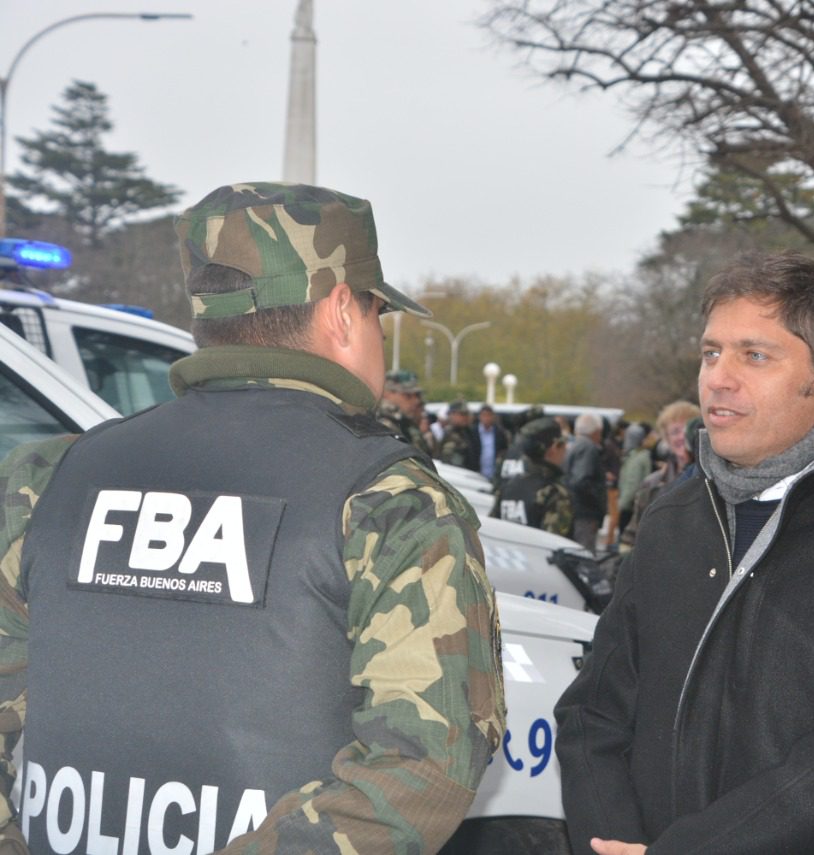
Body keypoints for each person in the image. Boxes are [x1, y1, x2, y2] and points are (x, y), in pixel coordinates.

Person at [0, 183, 504, 853]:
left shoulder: (50, 478)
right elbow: (429, 762)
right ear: (344, 310)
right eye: (380, 310)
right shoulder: (391, 503)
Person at [555, 251, 814, 855]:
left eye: (755, 355)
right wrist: (612, 840)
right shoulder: (673, 520)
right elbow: (592, 714)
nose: (718, 378)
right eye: (711, 352)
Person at [618, 400, 700, 548]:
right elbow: (633, 535)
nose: (682, 437)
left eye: (687, 429)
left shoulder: (715, 479)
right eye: (675, 431)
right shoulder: (653, 484)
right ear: (666, 440)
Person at [490, 416, 572, 538]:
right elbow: (553, 543)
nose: (566, 449)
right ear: (554, 447)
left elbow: (492, 529)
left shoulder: (508, 487)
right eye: (563, 445)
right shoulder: (555, 493)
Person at [563, 412, 607, 550]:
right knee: (583, 554)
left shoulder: (574, 445)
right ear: (597, 431)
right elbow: (581, 481)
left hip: (574, 509)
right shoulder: (588, 448)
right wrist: (597, 498)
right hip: (584, 512)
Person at [376, 368, 437, 457]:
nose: (416, 401)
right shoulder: (380, 424)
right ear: (387, 393)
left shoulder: (404, 423)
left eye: (417, 395)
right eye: (407, 395)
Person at [471, 403, 510, 481]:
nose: (486, 418)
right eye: (484, 415)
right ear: (480, 417)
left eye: (489, 415)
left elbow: (504, 451)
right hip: (476, 473)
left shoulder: (499, 433)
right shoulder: (472, 432)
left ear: (493, 417)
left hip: (494, 474)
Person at [439, 399, 478, 469]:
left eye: (466, 414)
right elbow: (450, 466)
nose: (465, 417)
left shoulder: (467, 432)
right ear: (452, 415)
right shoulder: (450, 436)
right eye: (462, 414)